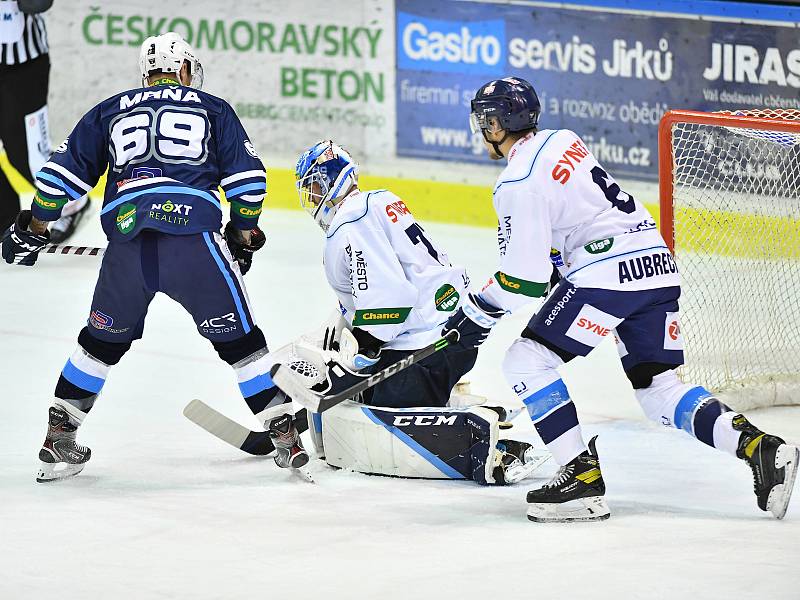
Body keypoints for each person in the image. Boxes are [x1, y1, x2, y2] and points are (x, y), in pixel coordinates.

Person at [444, 76, 799, 521]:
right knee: (660, 390)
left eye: (485, 121)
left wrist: (477, 310)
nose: (482, 130)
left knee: (525, 362)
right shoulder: (562, 140)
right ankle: (761, 448)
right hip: (655, 266)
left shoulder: (516, 183)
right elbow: (561, 241)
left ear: (496, 124)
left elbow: (525, 278)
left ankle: (580, 480)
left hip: (607, 274)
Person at [1, 32, 307, 481]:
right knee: (243, 346)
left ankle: (59, 437)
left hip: (127, 247)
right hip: (194, 243)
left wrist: (34, 229)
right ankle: (284, 435)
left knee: (98, 346)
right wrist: (241, 237)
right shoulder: (213, 107)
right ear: (184, 69)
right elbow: (248, 183)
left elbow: (58, 179)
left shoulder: (109, 110)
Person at [281, 140, 546, 485]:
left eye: (314, 187)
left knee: (374, 416)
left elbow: (387, 299)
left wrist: (363, 347)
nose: (313, 198)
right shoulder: (379, 201)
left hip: (423, 351)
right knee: (363, 387)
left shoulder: (349, 224)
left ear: (331, 180)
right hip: (456, 332)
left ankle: (484, 439)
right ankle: (449, 400)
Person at [0, 0, 89, 240]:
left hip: (21, 65)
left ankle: (74, 202)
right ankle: (4, 220)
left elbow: (37, 3)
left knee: (26, 155)